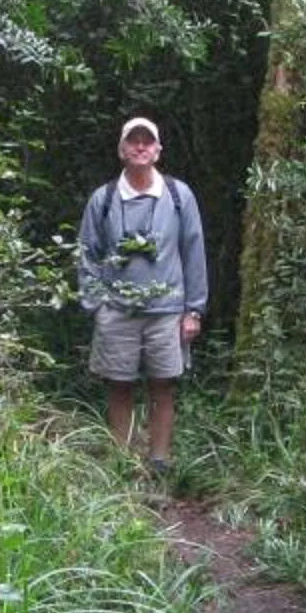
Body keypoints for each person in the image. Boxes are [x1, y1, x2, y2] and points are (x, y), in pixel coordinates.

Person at [78, 115, 207, 480]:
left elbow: (193, 252)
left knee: (163, 385)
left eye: (146, 141)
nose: (140, 147)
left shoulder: (179, 196)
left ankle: (159, 463)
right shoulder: (103, 200)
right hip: (116, 310)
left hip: (167, 310)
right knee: (119, 385)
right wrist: (97, 304)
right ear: (121, 150)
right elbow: (88, 253)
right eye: (132, 141)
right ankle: (123, 464)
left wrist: (193, 310)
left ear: (157, 150)